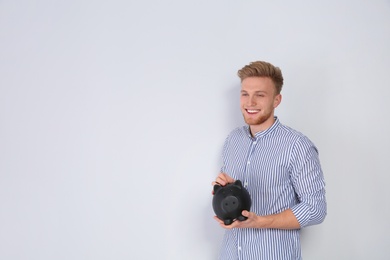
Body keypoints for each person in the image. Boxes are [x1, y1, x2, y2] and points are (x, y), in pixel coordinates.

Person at [212, 61, 327, 260]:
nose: (250, 102)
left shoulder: (297, 146)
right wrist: (222, 190)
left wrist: (261, 221)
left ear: (276, 100)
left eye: (260, 95)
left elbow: (316, 209)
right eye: (245, 94)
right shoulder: (233, 141)